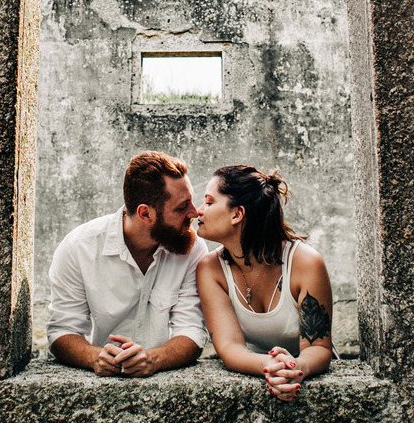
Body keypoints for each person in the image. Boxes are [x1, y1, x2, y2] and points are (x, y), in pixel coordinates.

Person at [46, 151, 208, 377]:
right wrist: (94, 357)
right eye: (182, 207)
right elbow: (62, 330)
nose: (195, 212)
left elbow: (192, 331)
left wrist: (152, 359)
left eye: (191, 200)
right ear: (145, 213)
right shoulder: (78, 247)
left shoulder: (193, 249)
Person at [195, 165, 334, 401]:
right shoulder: (210, 269)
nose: (199, 211)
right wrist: (272, 366)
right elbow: (230, 348)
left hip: (306, 381)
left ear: (237, 214)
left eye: (209, 202)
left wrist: (295, 368)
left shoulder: (306, 263)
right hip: (259, 373)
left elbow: (319, 347)